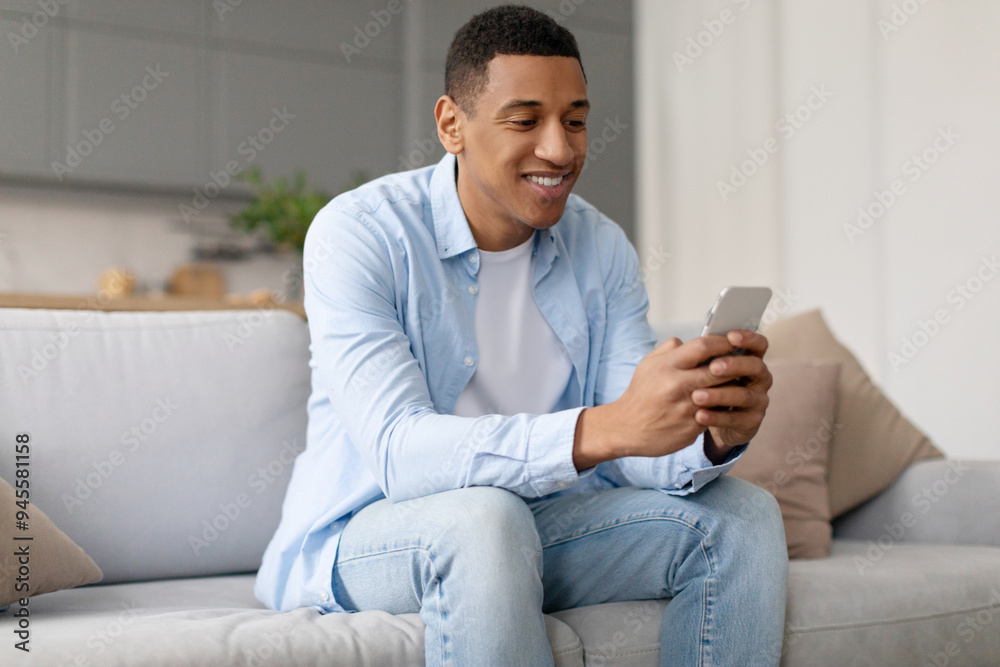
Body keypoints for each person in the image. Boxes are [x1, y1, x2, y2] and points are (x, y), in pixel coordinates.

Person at [256, 5, 787, 665]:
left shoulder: (601, 246)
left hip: (537, 524)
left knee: (741, 517)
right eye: (525, 120)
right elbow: (399, 451)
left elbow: (637, 441)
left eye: (575, 121)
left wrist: (707, 433)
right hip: (373, 533)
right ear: (453, 124)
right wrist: (605, 427)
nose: (560, 150)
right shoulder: (361, 235)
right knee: (485, 517)